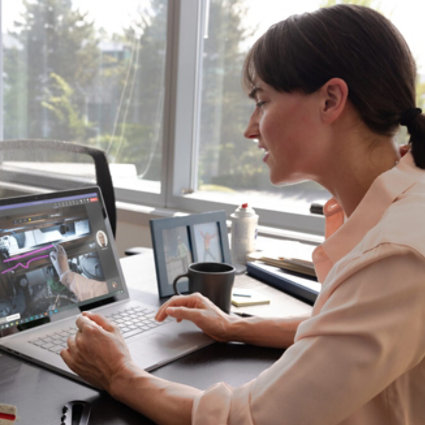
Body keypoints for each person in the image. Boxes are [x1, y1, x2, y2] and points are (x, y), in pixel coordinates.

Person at [60, 5, 425, 424]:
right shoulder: (402, 207)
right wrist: (234, 327)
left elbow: (249, 419)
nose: (250, 128)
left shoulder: (398, 253)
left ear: (331, 100)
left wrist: (120, 375)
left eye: (262, 101)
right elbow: (342, 329)